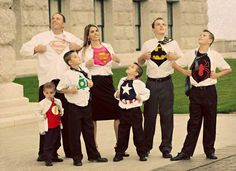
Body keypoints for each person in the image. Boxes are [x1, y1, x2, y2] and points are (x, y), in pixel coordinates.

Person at [20, 13, 83, 160]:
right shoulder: (41, 37)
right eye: (53, 18)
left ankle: (70, 150)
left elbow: (83, 47)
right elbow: (23, 49)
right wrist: (36, 49)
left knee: (67, 118)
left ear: (63, 23)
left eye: (58, 18)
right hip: (48, 83)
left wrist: (77, 48)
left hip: (65, 82)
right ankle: (45, 152)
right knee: (48, 119)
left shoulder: (70, 37)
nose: (55, 20)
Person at [171, 29, 232, 161]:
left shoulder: (214, 55)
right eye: (200, 35)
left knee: (210, 122)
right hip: (195, 92)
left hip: (210, 92)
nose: (201, 37)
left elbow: (228, 68)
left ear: (209, 41)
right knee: (193, 122)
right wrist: (185, 72)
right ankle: (186, 152)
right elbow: (175, 64)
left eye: (204, 36)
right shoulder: (190, 54)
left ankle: (209, 151)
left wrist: (217, 75)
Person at [79, 24, 129, 155]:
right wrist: (86, 64)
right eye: (92, 32)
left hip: (107, 82)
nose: (95, 33)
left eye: (96, 31)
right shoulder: (84, 50)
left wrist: (116, 58)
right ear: (88, 35)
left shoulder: (107, 46)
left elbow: (116, 61)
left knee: (118, 114)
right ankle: (94, 148)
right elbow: (79, 68)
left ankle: (120, 147)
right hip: (93, 83)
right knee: (93, 117)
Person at [137, 17, 183, 158]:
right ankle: (146, 148)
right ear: (153, 28)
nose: (162, 26)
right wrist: (142, 56)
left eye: (163, 24)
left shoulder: (172, 43)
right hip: (151, 83)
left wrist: (173, 57)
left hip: (166, 83)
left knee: (167, 116)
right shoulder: (148, 44)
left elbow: (181, 58)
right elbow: (139, 62)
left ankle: (166, 148)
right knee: (149, 116)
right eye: (158, 24)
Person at [57, 50, 108, 166]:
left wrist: (91, 84)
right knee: (75, 132)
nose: (78, 57)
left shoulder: (85, 70)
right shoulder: (67, 74)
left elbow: (88, 83)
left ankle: (93, 155)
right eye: (75, 57)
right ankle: (77, 157)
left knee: (89, 131)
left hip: (86, 104)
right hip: (74, 106)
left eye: (77, 55)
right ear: (70, 62)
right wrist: (69, 90)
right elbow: (59, 89)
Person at [113, 63, 150, 162]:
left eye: (132, 67)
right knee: (122, 133)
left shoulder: (139, 84)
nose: (129, 66)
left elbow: (147, 93)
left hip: (134, 111)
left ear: (136, 73)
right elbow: (119, 92)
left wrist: (140, 98)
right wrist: (116, 95)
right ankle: (119, 153)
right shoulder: (122, 80)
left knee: (138, 133)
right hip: (123, 109)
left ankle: (142, 152)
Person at [36, 82, 64, 166]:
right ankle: (47, 158)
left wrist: (61, 112)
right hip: (49, 126)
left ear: (54, 92)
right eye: (47, 93)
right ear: (44, 93)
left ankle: (54, 155)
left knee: (57, 142)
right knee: (48, 143)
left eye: (51, 93)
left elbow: (61, 110)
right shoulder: (42, 103)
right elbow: (37, 112)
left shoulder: (57, 101)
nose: (49, 95)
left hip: (56, 125)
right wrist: (42, 116)